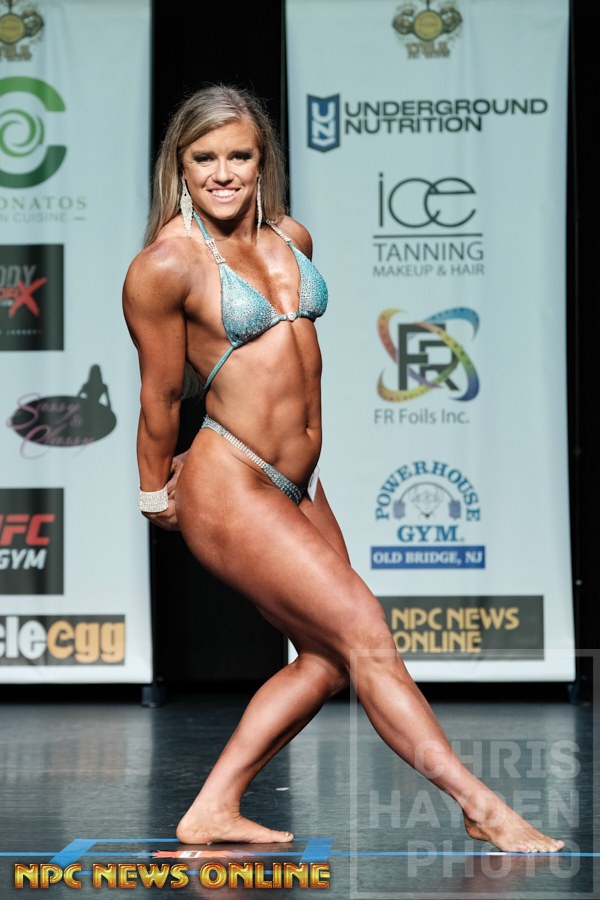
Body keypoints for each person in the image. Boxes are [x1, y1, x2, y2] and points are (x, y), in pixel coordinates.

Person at [123, 84, 563, 854]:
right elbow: (160, 394)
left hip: (298, 483)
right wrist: (155, 490)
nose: (222, 173)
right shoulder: (165, 265)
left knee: (329, 658)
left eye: (239, 156)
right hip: (231, 479)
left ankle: (214, 807)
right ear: (180, 166)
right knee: (365, 633)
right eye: (204, 158)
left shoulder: (291, 235)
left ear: (262, 160)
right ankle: (481, 806)